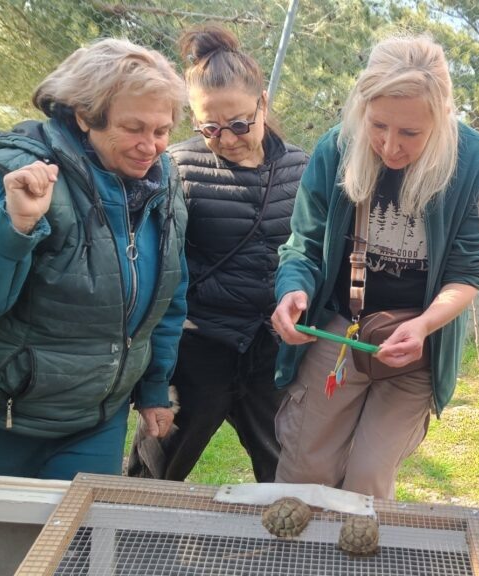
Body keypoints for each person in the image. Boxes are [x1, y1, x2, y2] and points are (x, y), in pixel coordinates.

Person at [0, 39, 189, 481]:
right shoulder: (21, 174)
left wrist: (155, 386)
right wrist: (14, 227)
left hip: (93, 422)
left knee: (76, 547)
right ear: (84, 116)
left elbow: (169, 292)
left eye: (162, 131)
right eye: (134, 128)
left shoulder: (164, 183)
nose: (151, 146)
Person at [270, 36, 479, 499]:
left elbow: (467, 272)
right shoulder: (335, 147)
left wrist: (424, 326)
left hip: (413, 346)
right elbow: (305, 244)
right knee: (305, 468)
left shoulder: (475, 161)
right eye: (378, 126)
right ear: (362, 108)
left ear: (442, 117)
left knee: (369, 479)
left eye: (411, 134)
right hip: (338, 327)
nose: (390, 147)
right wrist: (292, 289)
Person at [127, 25, 308, 483]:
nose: (225, 139)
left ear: (262, 103)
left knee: (283, 471)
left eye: (240, 124)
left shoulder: (302, 171)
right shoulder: (177, 168)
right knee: (158, 468)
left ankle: (286, 554)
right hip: (198, 349)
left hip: (269, 351)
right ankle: (124, 543)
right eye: (209, 127)